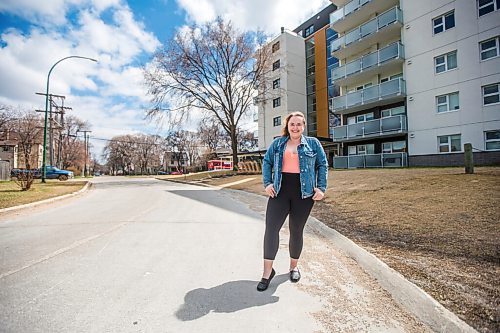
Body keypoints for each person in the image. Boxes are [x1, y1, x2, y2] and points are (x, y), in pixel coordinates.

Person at [257, 111, 328, 292]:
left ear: (303, 126)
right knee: (271, 229)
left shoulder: (313, 144)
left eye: (299, 124)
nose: (295, 127)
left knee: (296, 230)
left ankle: (293, 267)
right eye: (292, 124)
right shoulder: (278, 143)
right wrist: (267, 183)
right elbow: (267, 162)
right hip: (279, 191)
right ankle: (267, 273)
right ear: (287, 127)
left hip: (303, 194)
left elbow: (322, 164)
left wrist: (321, 187)